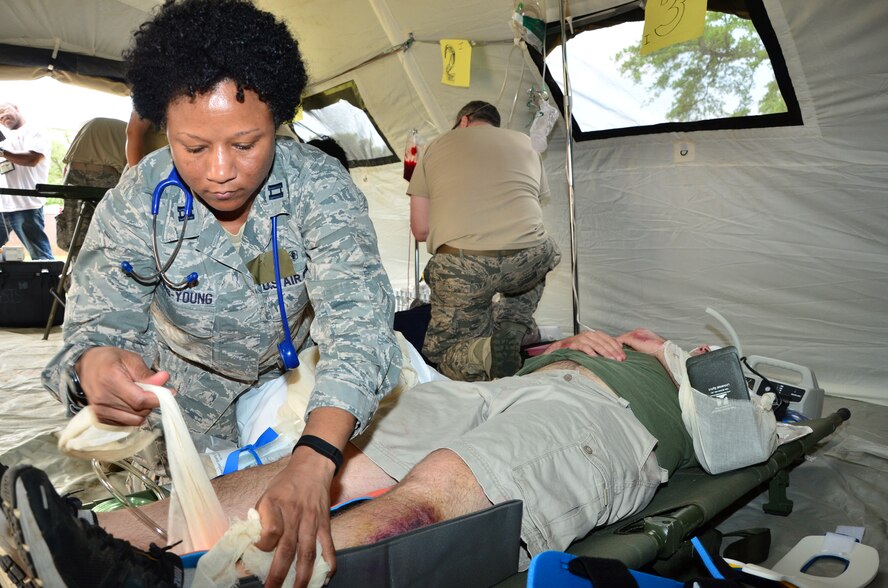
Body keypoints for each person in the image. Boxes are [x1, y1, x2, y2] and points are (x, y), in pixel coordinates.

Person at [39, 0, 401, 584]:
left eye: (246, 142)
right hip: (183, 398)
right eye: (194, 148)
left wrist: (317, 455)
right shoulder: (140, 201)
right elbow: (97, 325)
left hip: (292, 389)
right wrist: (93, 365)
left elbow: (359, 323)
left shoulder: (318, 188)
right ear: (164, 129)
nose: (221, 171)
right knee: (188, 540)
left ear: (279, 120)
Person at [6, 328, 696, 588]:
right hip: (503, 387)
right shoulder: (607, 338)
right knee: (320, 468)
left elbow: (749, 418)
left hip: (604, 417)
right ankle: (97, 542)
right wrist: (578, 340)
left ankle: (217, 584)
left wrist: (673, 357)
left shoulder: (704, 371)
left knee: (442, 485)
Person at [407, 100, 560, 382]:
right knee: (539, 253)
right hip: (529, 259)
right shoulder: (526, 143)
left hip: (465, 266)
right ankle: (514, 322)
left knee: (445, 351)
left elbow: (420, 229)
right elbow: (528, 206)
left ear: (463, 120)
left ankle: (486, 351)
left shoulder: (438, 145)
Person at [56, 117, 128, 255]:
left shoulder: (97, 124)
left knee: (74, 228)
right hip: (104, 174)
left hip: (74, 171)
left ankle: (75, 270)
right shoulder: (135, 131)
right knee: (105, 231)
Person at [0, 102, 54, 260]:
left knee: (41, 256)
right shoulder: (4, 138)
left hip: (26, 204)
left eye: (4, 110)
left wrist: (3, 153)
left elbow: (33, 158)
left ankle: (51, 283)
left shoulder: (35, 131)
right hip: (3, 205)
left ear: (16, 108)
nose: (2, 117)